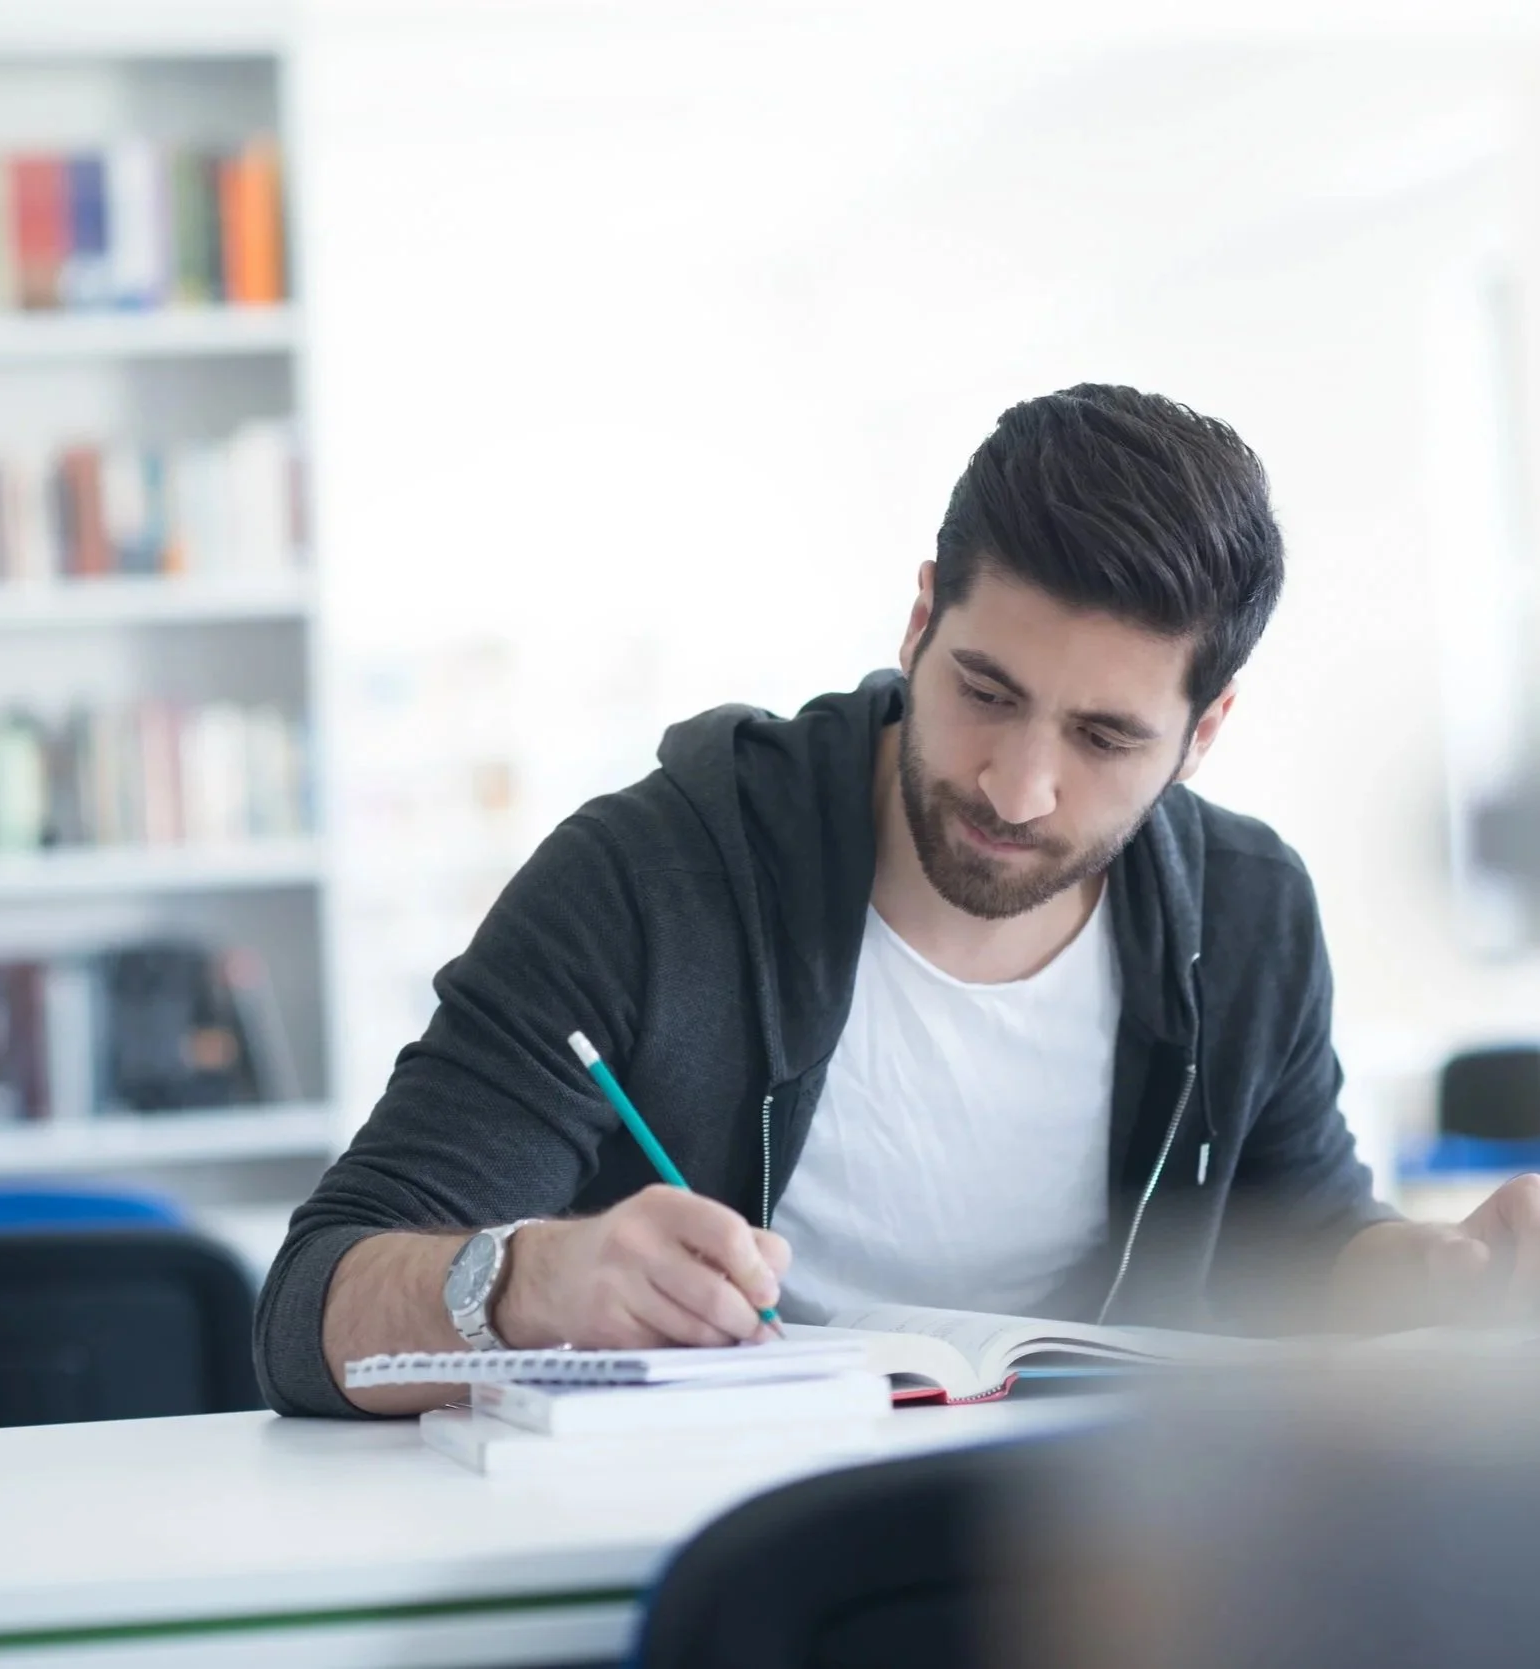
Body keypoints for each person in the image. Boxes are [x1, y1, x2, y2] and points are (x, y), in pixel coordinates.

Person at [255, 383, 1540, 1418]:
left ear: (1202, 733)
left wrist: (1443, 1279)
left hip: (1103, 1573)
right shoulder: (649, 879)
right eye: (985, 691)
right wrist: (525, 1281)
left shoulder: (1247, 914)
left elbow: (1300, 1249)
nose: (1018, 785)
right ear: (921, 617)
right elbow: (308, 1312)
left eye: (1102, 737)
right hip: (724, 1554)